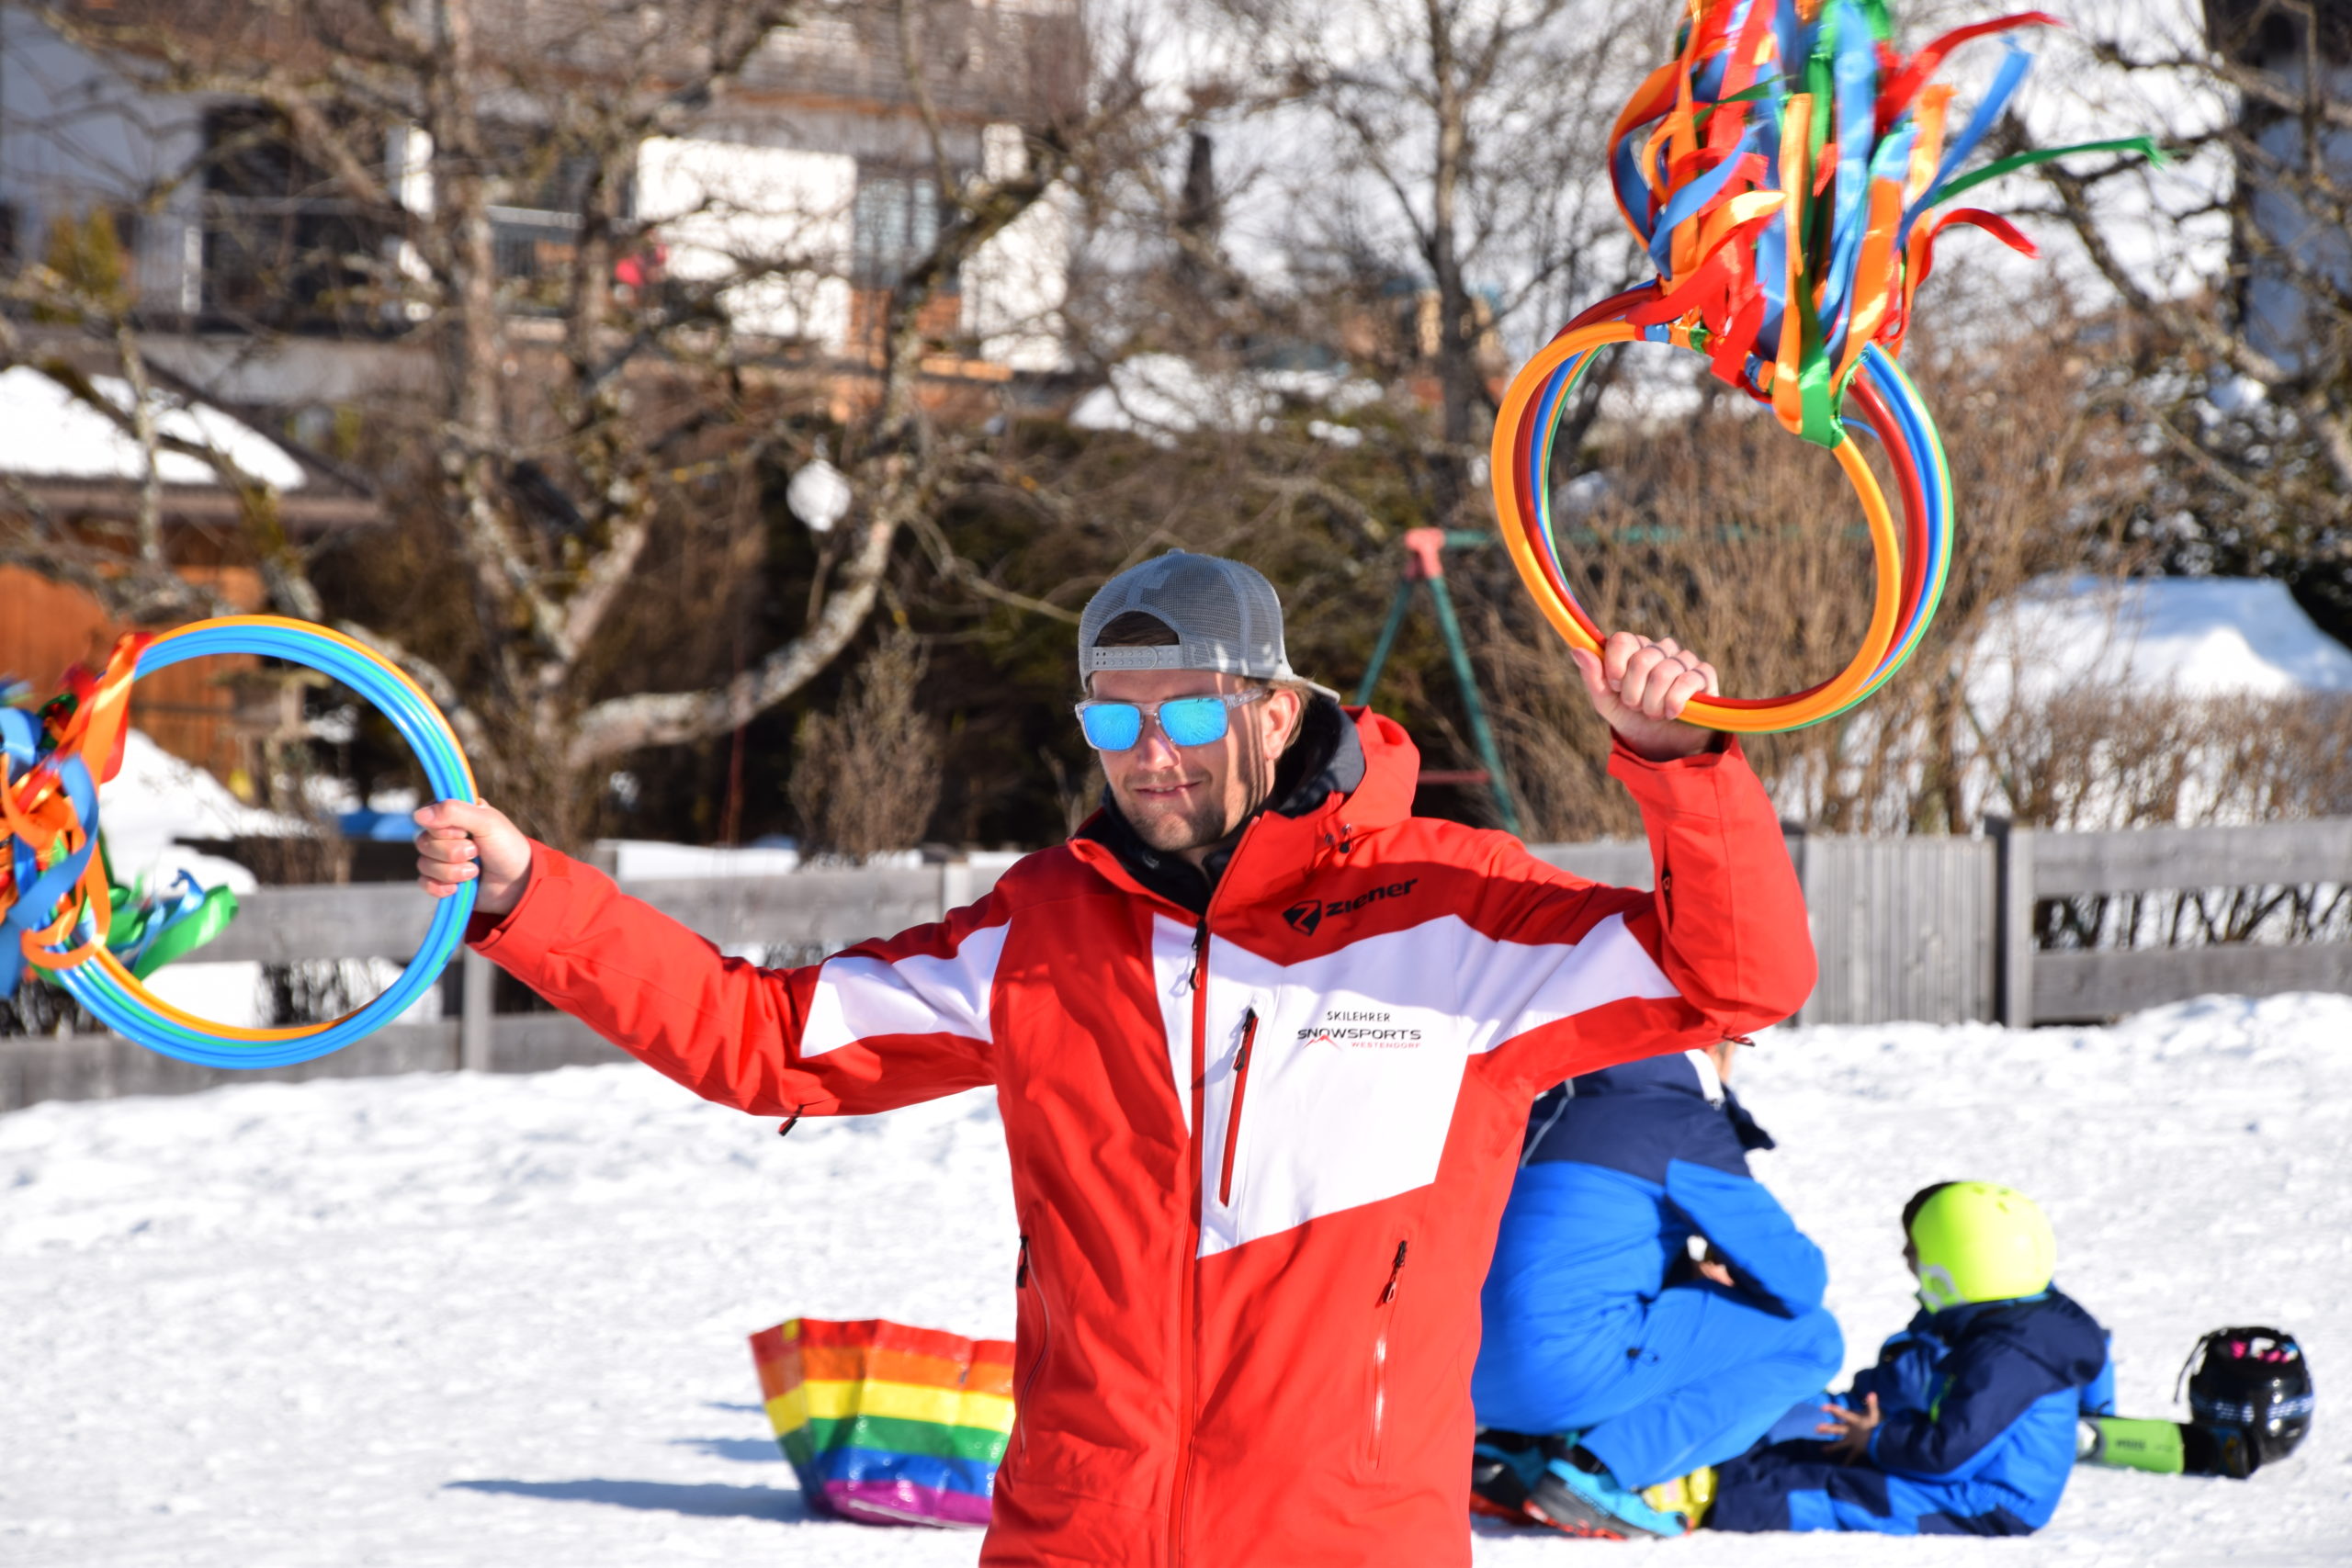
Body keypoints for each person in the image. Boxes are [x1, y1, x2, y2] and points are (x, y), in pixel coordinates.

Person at [413, 550, 1816, 1568]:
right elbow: (766, 1041)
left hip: (1340, 1541)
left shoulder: (1450, 914)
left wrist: (1681, 765)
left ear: (1275, 710)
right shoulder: (1045, 930)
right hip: (1075, 1534)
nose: (1150, 751)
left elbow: (1738, 974)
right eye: (1115, 715)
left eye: (1190, 712)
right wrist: (533, 897)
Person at [1468, 1038, 1841, 1539]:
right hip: (1558, 1376)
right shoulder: (1674, 1119)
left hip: (1468, 1379)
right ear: (1714, 1049)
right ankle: (1598, 1470)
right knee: (1812, 1339)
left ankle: (1514, 1453)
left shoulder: (1542, 1108)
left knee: (1576, 1295)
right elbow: (1798, 1282)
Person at [1696, 1180, 2112, 1537]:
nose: (1905, 1258)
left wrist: (1877, 1438)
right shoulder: (2014, 1319)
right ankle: (1702, 1450)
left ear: (1955, 1265)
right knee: (1793, 1437)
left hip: (1984, 1503)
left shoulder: (2009, 1355)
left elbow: (1947, 1456)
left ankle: (1699, 1499)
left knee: (1821, 1488)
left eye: (1915, 1251)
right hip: (1940, 1453)